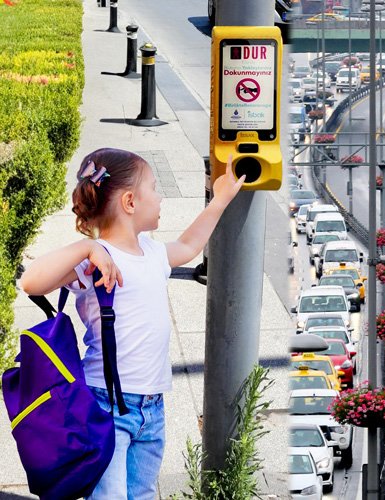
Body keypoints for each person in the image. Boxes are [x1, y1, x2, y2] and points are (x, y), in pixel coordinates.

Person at [19, 148, 244, 498]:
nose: (160, 196)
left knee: (142, 494)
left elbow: (188, 244)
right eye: (154, 188)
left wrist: (221, 199)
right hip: (105, 405)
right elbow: (32, 281)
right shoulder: (96, 260)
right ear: (129, 202)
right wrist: (85, 248)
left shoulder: (152, 252)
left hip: (152, 409)